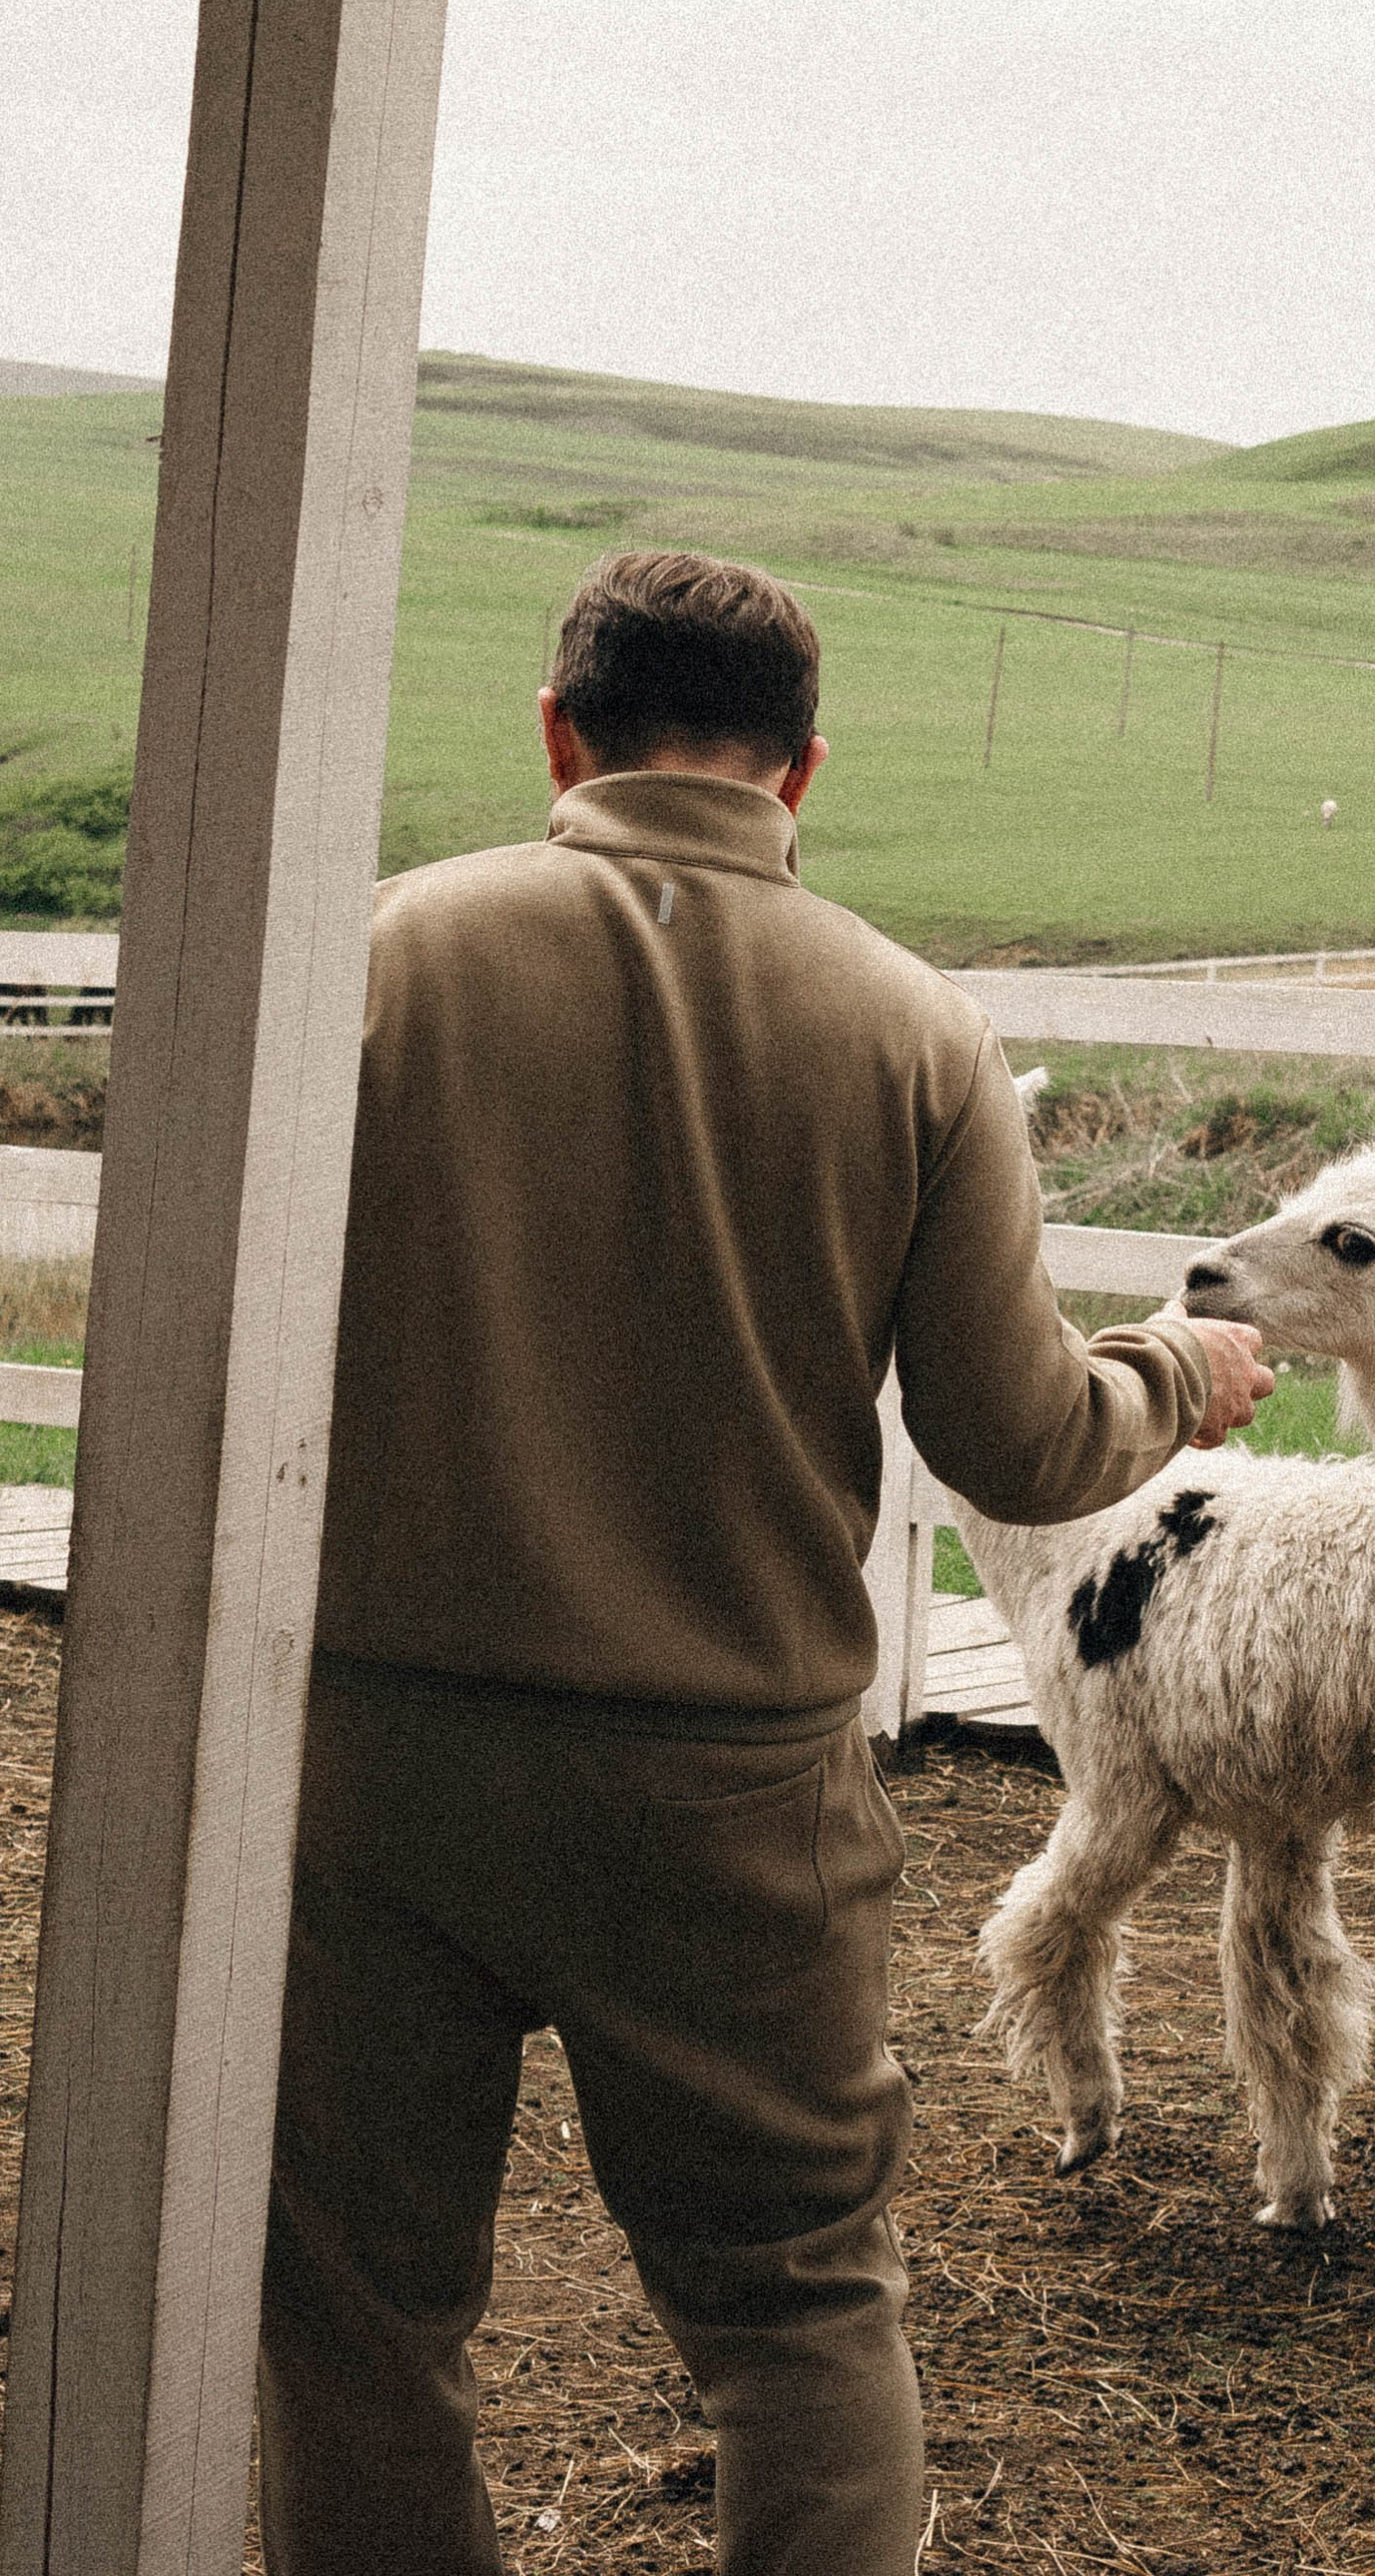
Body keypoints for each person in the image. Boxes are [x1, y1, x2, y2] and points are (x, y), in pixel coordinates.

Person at [257, 548, 1272, 2576]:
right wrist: (1176, 1370)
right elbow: (1014, 1438)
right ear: (800, 769)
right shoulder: (907, 1029)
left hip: (373, 1764)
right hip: (727, 1797)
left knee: (362, 2316)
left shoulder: (376, 958)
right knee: (796, 2309)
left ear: (561, 730)